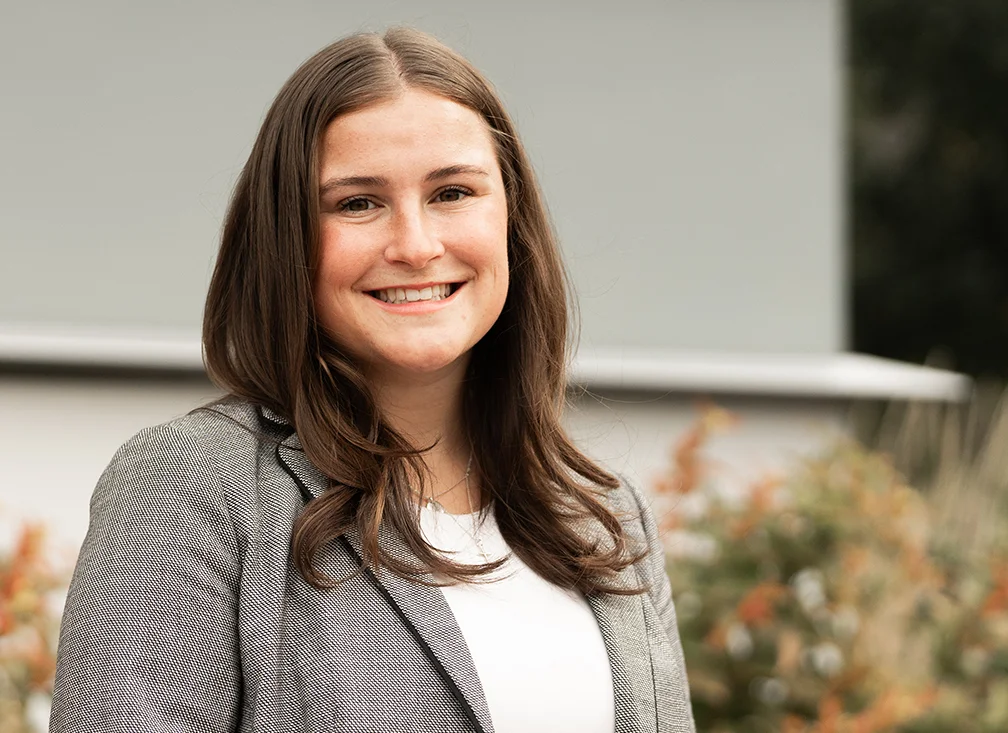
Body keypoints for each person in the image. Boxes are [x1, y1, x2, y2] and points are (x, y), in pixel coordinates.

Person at [49, 27, 694, 733]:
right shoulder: (193, 485)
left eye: (452, 192)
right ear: (287, 236)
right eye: (358, 203)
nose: (416, 245)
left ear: (511, 221)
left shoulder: (603, 515)